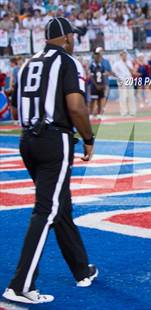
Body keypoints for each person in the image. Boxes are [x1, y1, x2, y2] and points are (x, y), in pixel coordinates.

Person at [3, 17, 97, 305]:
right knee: (47, 209)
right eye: (73, 36)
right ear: (68, 37)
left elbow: (20, 101)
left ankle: (82, 269)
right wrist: (89, 138)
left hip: (27, 139)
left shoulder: (28, 63)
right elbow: (75, 106)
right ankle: (21, 284)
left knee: (60, 206)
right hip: (53, 139)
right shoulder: (68, 62)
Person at [113, 50, 136, 117]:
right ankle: (124, 112)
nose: (124, 56)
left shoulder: (129, 62)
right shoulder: (116, 63)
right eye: (123, 55)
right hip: (122, 80)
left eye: (125, 54)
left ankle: (132, 112)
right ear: (120, 55)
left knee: (131, 96)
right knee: (123, 96)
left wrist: (126, 64)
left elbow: (132, 71)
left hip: (129, 79)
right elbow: (113, 72)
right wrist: (119, 77)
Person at [89, 50, 107, 118]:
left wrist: (103, 84)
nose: (98, 58)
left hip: (100, 85)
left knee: (100, 100)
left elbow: (103, 76)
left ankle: (99, 114)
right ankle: (90, 114)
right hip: (94, 86)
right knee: (93, 100)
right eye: (97, 57)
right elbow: (92, 77)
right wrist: (96, 85)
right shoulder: (92, 66)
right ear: (94, 58)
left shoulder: (101, 66)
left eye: (99, 57)